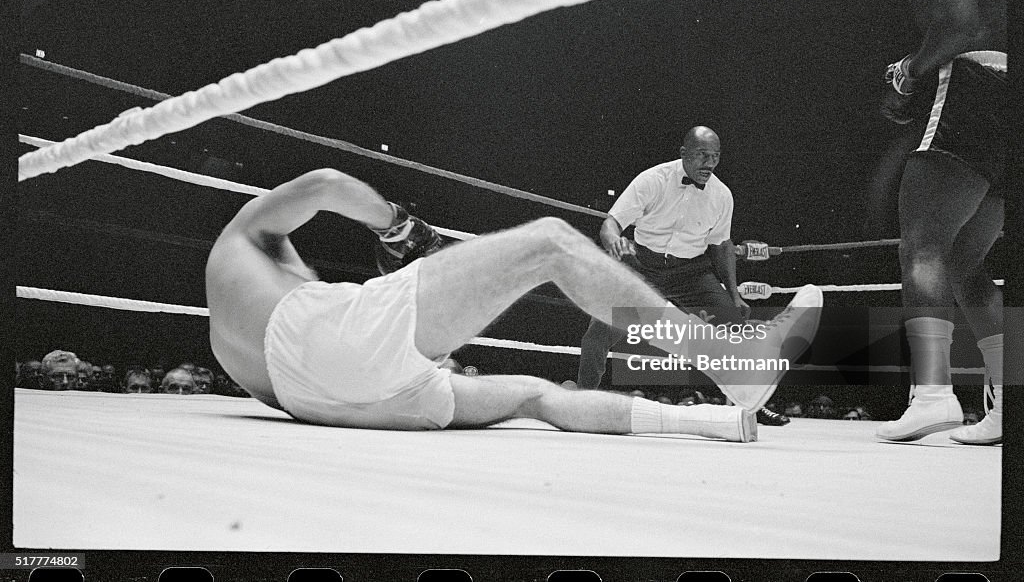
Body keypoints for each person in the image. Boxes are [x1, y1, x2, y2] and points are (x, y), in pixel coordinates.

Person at [205, 168, 822, 441]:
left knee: (533, 394)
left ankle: (718, 421)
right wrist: (401, 229)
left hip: (321, 402)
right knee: (550, 242)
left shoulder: (231, 314)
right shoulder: (242, 234)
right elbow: (323, 186)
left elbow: (302, 372)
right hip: (336, 348)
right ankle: (725, 363)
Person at [855, 0, 1007, 444]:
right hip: (1004, 99)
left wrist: (907, 73)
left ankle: (934, 394)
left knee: (920, 245)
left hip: (971, 88)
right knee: (966, 264)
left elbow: (961, 30)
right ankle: (1008, 405)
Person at [576, 127, 787, 427]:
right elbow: (612, 222)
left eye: (715, 157)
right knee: (600, 327)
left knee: (734, 328)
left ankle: (755, 407)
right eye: (702, 155)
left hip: (690, 272)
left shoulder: (721, 195)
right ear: (683, 153)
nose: (710, 164)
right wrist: (613, 241)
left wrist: (734, 294)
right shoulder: (653, 180)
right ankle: (581, 402)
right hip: (643, 266)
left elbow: (721, 246)